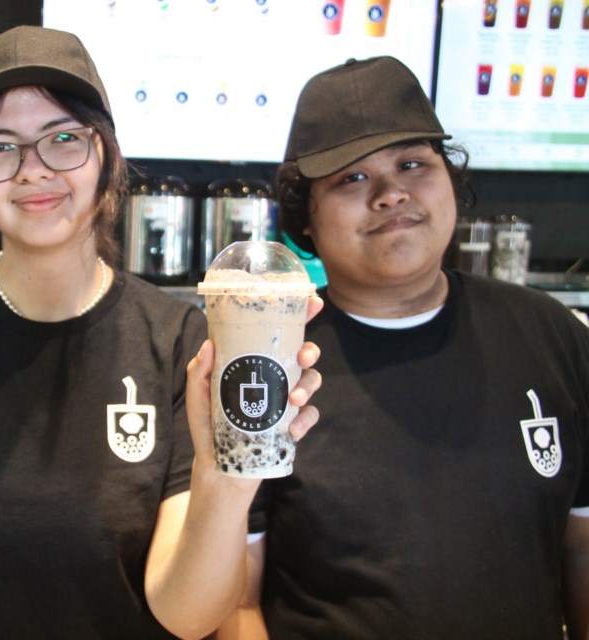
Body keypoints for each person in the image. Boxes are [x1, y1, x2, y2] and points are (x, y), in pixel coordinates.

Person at [0, 26, 322, 640]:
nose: (33, 171)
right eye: (0, 147)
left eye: (64, 139)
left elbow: (188, 615)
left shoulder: (178, 343)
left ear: (107, 157)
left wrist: (226, 477)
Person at [220, 56, 589, 640]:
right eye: (352, 178)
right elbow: (238, 603)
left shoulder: (551, 333)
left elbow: (581, 548)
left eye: (413, 164)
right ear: (305, 220)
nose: (392, 194)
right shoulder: (273, 364)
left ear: (452, 182)